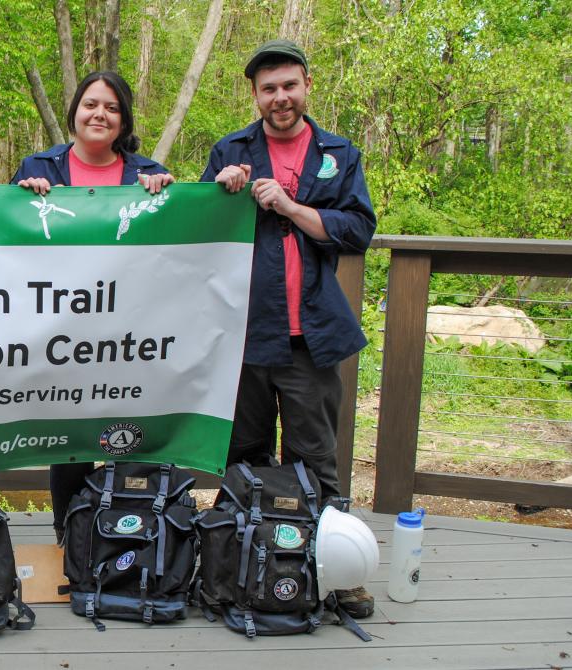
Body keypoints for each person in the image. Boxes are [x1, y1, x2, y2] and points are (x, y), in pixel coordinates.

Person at [201, 39, 377, 617]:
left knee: (317, 461)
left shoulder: (338, 153)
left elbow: (356, 230)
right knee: (243, 457)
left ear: (306, 85)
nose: (280, 97)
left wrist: (289, 206)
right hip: (247, 338)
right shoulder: (231, 149)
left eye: (289, 85)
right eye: (268, 88)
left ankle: (336, 573)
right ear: (254, 95)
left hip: (314, 337)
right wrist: (216, 193)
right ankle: (237, 563)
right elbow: (197, 238)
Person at [11, 71, 173, 544]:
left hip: (125, 333)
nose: (99, 114)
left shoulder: (147, 173)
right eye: (90, 104)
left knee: (126, 434)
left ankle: (126, 538)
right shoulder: (38, 166)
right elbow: (7, 246)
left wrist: (171, 194)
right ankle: (70, 537)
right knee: (69, 442)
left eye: (112, 107)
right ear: (75, 112)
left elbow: (172, 245)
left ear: (123, 120)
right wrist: (21, 196)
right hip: (60, 331)